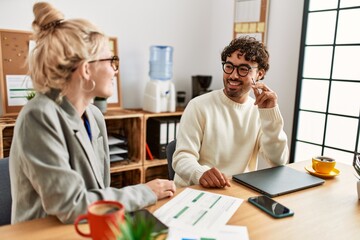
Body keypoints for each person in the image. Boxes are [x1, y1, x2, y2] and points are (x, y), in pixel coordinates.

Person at [9, 2, 176, 224]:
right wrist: (145, 192)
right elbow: (71, 205)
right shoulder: (39, 115)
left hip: (87, 227)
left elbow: (98, 191)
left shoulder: (94, 116)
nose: (115, 70)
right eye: (111, 60)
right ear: (87, 69)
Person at [172, 36, 289, 188]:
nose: (233, 75)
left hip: (237, 193)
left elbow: (278, 161)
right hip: (196, 191)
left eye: (243, 69)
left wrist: (270, 115)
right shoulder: (198, 106)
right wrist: (200, 173)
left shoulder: (260, 112)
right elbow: (182, 158)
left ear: (259, 74)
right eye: (229, 66)